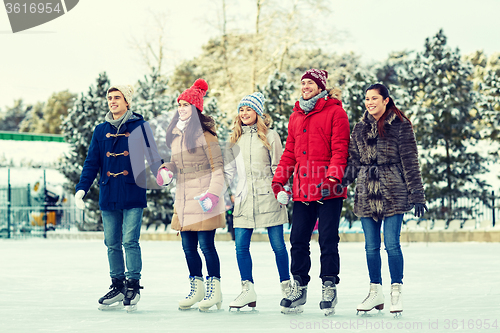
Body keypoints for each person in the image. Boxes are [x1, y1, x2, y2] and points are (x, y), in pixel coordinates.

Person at [75, 84, 163, 312]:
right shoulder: (100, 130)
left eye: (117, 97)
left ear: (127, 102)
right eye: (110, 98)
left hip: (132, 190)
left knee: (130, 241)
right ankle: (118, 285)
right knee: (111, 243)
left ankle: (133, 285)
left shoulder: (140, 127)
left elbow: (153, 155)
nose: (112, 101)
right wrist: (82, 188)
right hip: (108, 192)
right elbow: (91, 163)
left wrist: (161, 172)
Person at [341, 83, 427, 316]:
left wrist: (417, 194)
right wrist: (340, 183)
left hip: (393, 191)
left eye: (374, 98)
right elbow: (354, 161)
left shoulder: (401, 126)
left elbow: (410, 161)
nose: (370, 103)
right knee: (371, 247)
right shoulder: (359, 128)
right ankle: (375, 291)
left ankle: (396, 291)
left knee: (392, 245)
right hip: (366, 193)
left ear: (386, 100)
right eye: (367, 99)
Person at [271, 69, 350, 314]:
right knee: (298, 240)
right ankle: (300, 287)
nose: (305, 86)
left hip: (329, 190)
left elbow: (340, 150)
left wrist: (332, 177)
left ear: (320, 86)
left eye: (310, 83)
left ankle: (329, 285)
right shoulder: (296, 116)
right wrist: (279, 182)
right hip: (303, 189)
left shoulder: (336, 112)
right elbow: (289, 154)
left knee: (327, 240)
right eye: (303, 82)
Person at [157, 79, 226, 312]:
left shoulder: (206, 135)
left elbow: (219, 167)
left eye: (186, 104)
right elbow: (176, 164)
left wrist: (213, 195)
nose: (182, 108)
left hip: (204, 197)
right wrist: (166, 170)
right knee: (188, 247)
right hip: (184, 198)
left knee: (207, 246)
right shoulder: (176, 135)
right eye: (179, 104)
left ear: (196, 108)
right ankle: (196, 289)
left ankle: (214, 290)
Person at [224, 92, 291, 311]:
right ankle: (247, 290)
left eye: (249, 109)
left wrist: (282, 189)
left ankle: (286, 288)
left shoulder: (271, 136)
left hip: (268, 195)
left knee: (278, 245)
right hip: (243, 199)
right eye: (241, 109)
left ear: (258, 113)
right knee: (240, 247)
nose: (244, 113)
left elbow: (278, 167)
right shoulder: (235, 138)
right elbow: (228, 172)